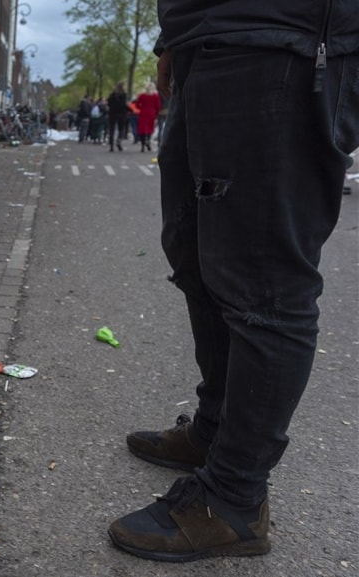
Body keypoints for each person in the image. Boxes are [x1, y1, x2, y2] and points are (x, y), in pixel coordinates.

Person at [108, 0, 358, 563]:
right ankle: (214, 430)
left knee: (264, 280)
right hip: (209, 36)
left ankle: (234, 500)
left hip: (287, 41)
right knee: (195, 250)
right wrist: (172, 39)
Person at [134, 82, 161, 152]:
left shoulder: (142, 96)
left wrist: (141, 107)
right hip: (152, 113)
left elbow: (137, 105)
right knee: (150, 128)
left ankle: (142, 145)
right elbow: (158, 106)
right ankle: (148, 141)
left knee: (143, 129)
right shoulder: (155, 96)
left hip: (143, 113)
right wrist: (156, 114)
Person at [106, 81, 127, 152]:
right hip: (121, 114)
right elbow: (124, 105)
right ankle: (119, 140)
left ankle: (111, 145)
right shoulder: (123, 95)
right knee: (121, 129)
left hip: (112, 114)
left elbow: (108, 103)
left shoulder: (112, 95)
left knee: (111, 130)